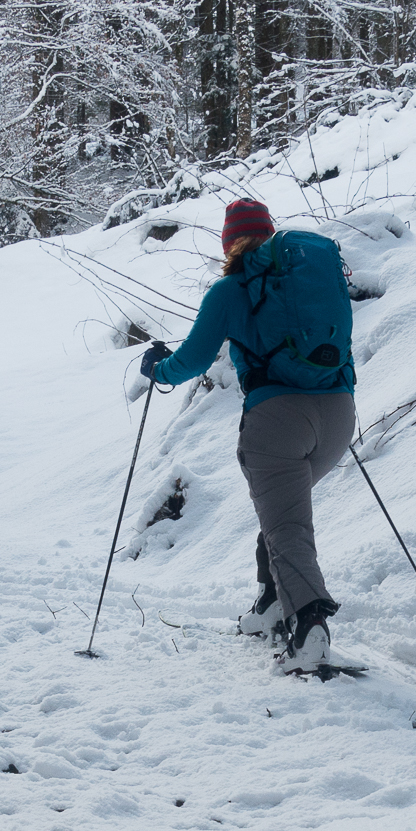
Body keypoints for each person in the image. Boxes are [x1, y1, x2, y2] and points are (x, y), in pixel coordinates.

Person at [140, 198, 356, 674]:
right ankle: (270, 605)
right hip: (340, 415)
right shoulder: (312, 280)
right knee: (282, 511)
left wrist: (160, 369)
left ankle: (310, 627)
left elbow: (194, 359)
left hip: (278, 418)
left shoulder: (232, 289)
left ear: (228, 243)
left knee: (286, 525)